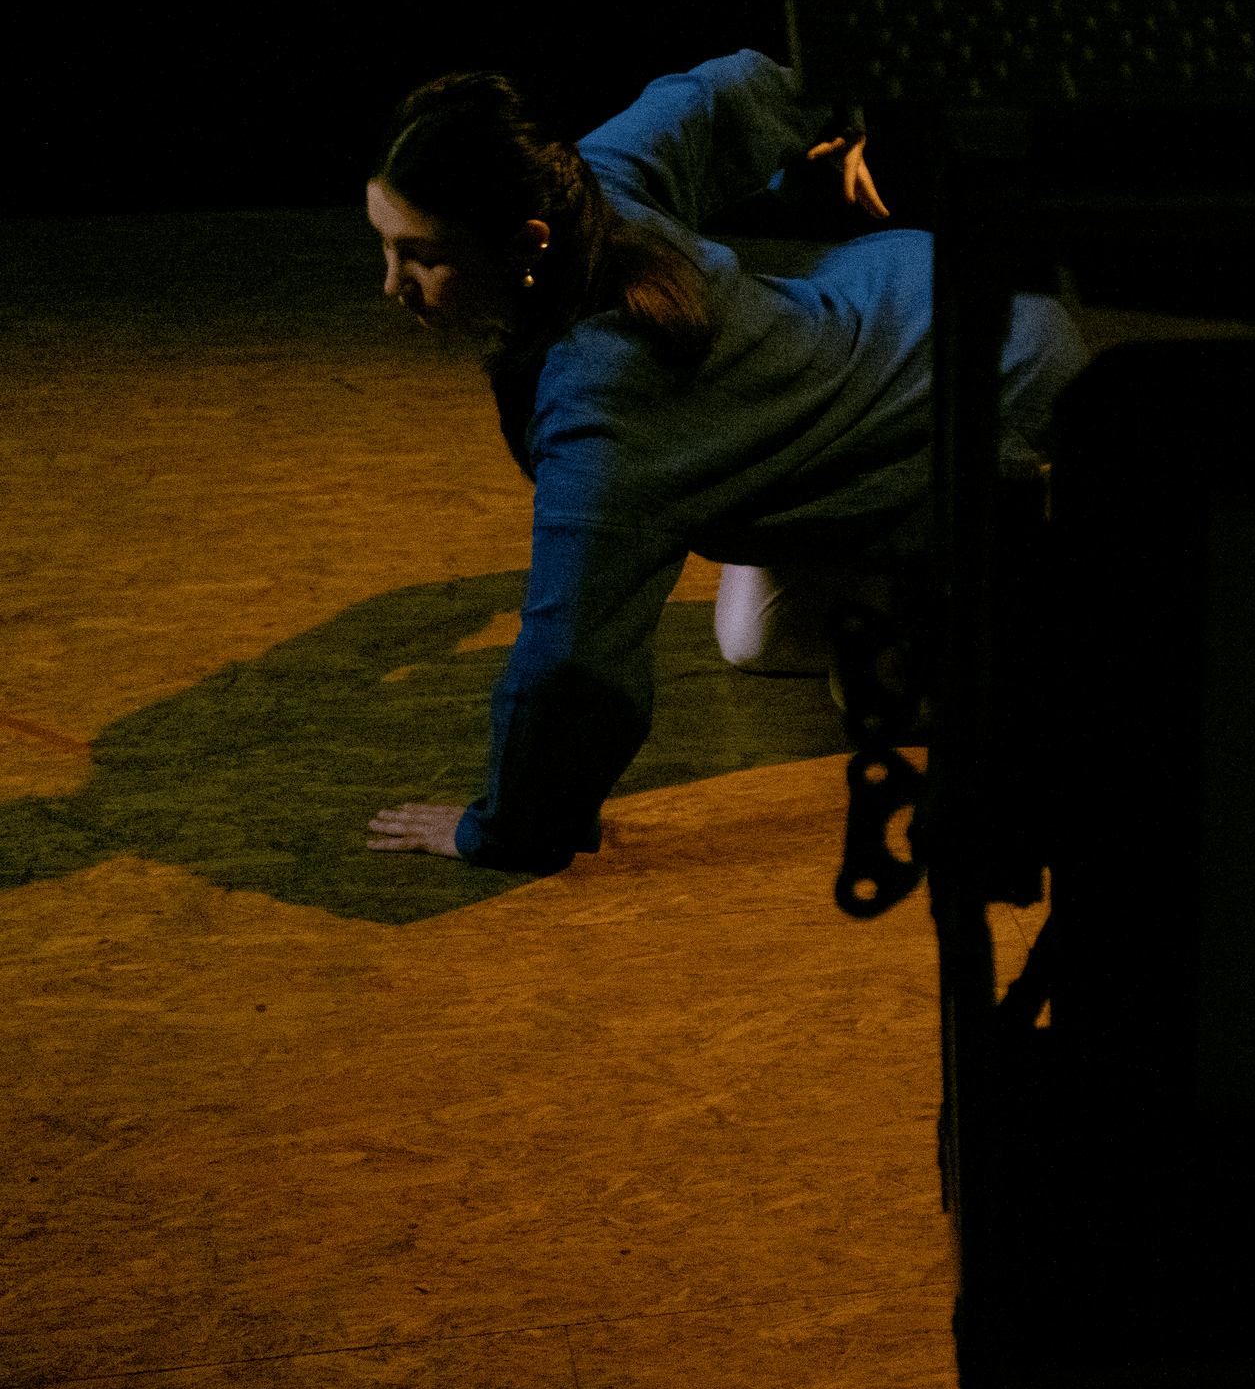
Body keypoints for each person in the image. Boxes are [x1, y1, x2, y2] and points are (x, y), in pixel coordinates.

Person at [360, 49, 1086, 872]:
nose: (393, 285)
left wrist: (505, 828)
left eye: (421, 256)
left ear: (525, 243)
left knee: (873, 667)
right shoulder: (586, 190)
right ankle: (918, 600)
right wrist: (844, 109)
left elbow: (569, 662)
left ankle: (986, 591)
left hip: (984, 378)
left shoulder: (603, 406)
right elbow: (720, 92)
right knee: (755, 642)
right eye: (384, 247)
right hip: (900, 303)